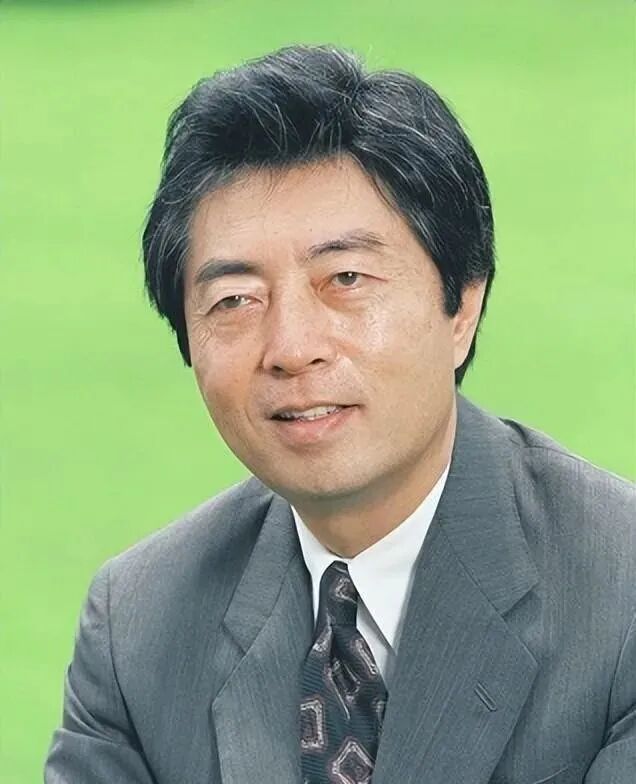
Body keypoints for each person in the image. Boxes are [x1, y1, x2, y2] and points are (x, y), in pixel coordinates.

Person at [45, 45, 635, 784]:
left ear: (462, 305)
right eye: (235, 300)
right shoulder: (136, 628)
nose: (292, 349)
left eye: (346, 278)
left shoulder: (620, 593)